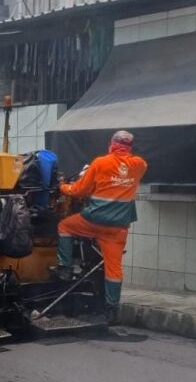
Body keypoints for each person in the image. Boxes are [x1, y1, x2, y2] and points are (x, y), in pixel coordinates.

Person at [56, 130, 148, 323]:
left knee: (64, 227)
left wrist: (62, 186)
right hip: (118, 229)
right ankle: (111, 310)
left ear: (112, 144)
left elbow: (79, 190)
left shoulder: (100, 163)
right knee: (114, 270)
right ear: (129, 147)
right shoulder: (140, 165)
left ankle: (65, 268)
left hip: (93, 222)